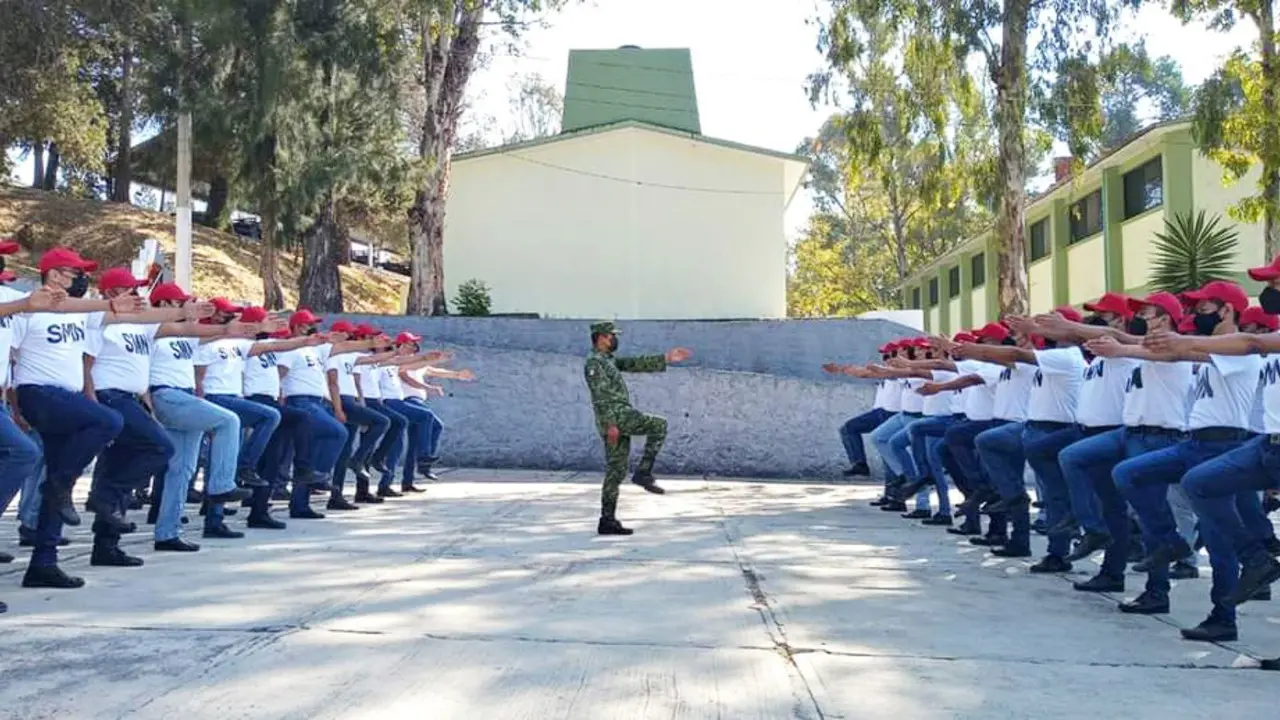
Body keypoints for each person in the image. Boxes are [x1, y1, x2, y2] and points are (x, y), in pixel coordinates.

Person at [584, 321, 691, 535]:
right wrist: (611, 425)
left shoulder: (607, 360)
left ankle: (607, 520)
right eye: (611, 335)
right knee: (658, 425)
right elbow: (600, 396)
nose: (614, 339)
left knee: (616, 471)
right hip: (616, 415)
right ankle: (643, 473)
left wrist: (666, 358)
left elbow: (633, 363)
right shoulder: (594, 363)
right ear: (601, 337)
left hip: (616, 417)